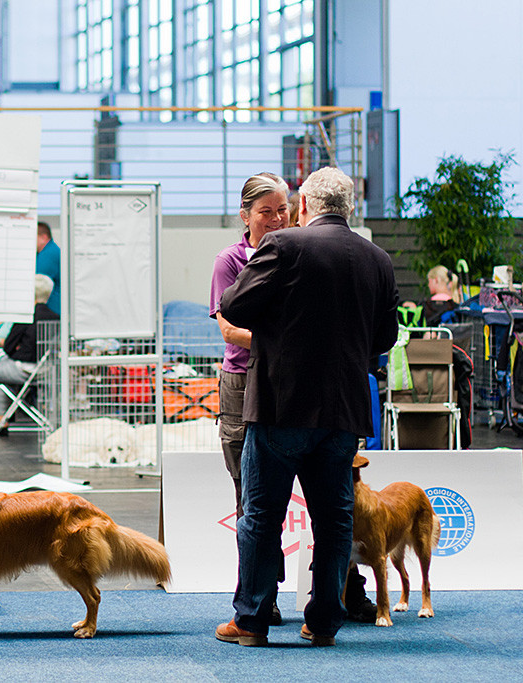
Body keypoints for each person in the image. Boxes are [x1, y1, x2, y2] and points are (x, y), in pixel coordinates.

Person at [214, 166, 399, 647]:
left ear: (302, 206)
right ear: (350, 208)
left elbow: (233, 305)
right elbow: (384, 339)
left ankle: (251, 621)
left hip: (281, 406)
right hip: (342, 413)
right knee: (335, 519)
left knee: (260, 515)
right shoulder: (378, 259)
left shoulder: (283, 246)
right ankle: (324, 622)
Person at [209, 173, 292, 625]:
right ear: (245, 217)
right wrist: (283, 342)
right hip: (241, 386)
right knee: (250, 498)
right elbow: (228, 330)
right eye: (266, 211)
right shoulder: (231, 260)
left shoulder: (298, 251)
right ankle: (262, 597)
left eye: (283, 209)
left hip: (289, 382)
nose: (278, 219)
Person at [0, 274, 59, 419]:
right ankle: (45, 416)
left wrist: (18, 347)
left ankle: (1, 419)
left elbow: (8, 346)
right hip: (48, 370)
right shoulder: (56, 317)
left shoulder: (26, 316)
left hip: (24, 368)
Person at [35, 221, 61, 315]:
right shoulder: (52, 250)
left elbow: (35, 279)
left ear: (44, 237)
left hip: (53, 308)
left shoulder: (49, 253)